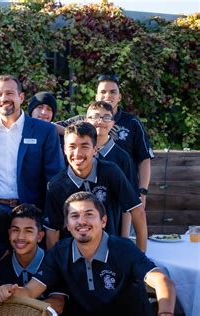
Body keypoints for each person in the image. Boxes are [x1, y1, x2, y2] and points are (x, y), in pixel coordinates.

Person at [0, 192, 176, 316]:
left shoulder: (123, 248)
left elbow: (162, 281)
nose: (81, 221)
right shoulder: (59, 252)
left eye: (89, 214)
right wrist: (9, 291)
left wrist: (166, 313)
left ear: (103, 220)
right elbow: (30, 291)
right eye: (74, 216)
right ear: (66, 224)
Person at [44, 121, 147, 251]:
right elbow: (52, 232)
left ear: (95, 150)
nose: (77, 153)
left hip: (110, 253)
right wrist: (56, 267)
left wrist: (141, 253)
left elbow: (137, 210)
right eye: (72, 146)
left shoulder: (110, 171)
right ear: (64, 149)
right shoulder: (56, 185)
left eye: (84, 146)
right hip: (73, 258)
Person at [0, 75, 64, 210]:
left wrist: (50, 218)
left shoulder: (45, 131)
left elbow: (55, 178)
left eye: (10, 93)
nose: (4, 98)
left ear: (21, 97)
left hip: (32, 211)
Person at [0, 204, 65, 315]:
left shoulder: (52, 262)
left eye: (28, 231)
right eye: (15, 230)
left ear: (40, 236)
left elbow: (58, 304)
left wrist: (17, 302)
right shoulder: (1, 266)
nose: (20, 237)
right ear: (9, 234)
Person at [96, 74, 154, 207]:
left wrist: (142, 192)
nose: (107, 96)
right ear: (96, 96)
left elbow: (144, 158)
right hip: (97, 194)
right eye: (103, 92)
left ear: (119, 97)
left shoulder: (132, 123)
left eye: (113, 92)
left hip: (127, 194)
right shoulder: (88, 121)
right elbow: (61, 128)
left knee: (127, 228)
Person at [85, 101, 138, 192]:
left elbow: (132, 197)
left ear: (113, 123)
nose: (101, 121)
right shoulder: (77, 154)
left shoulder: (123, 158)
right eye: (95, 117)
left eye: (107, 117)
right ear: (86, 120)